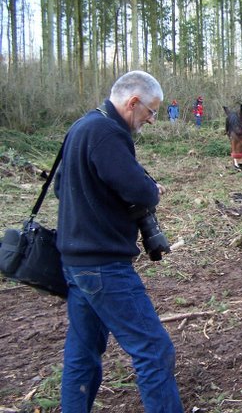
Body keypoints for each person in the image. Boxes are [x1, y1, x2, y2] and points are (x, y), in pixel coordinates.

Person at [54, 71, 183, 413]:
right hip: (103, 265)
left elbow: (60, 188)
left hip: (75, 262)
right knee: (154, 350)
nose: (152, 120)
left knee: (83, 353)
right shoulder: (107, 133)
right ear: (133, 102)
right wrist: (150, 190)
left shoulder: (82, 126)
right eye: (150, 112)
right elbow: (137, 191)